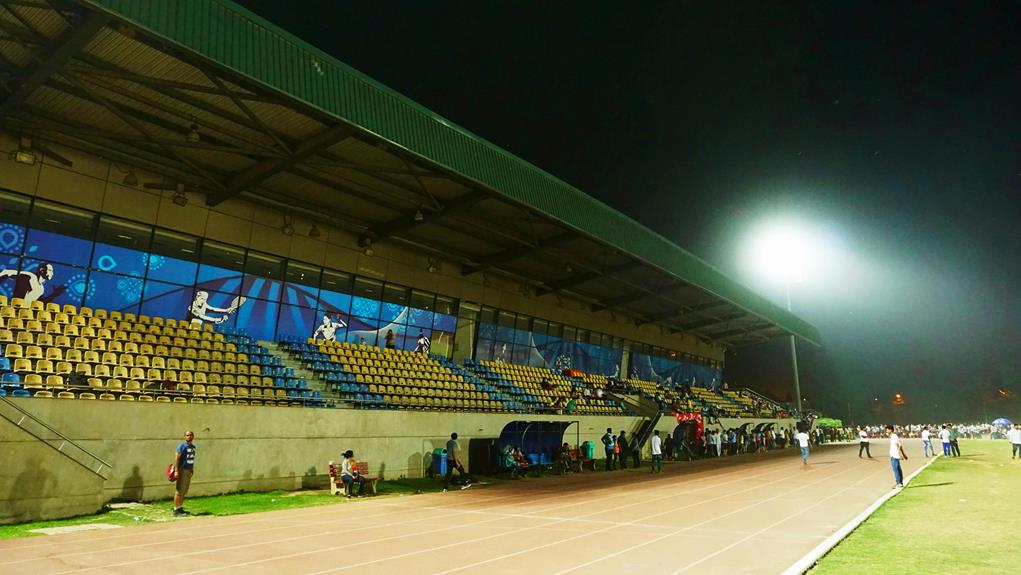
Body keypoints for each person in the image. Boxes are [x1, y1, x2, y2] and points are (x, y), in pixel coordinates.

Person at [171, 430, 196, 517]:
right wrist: (177, 471)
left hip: (188, 471)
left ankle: (179, 507)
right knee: (179, 490)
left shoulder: (193, 447)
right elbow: (177, 458)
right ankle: (175, 510)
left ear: (193, 436)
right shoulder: (182, 446)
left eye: (191, 435)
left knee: (184, 491)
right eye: (187, 435)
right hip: (182, 470)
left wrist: (192, 469)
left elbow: (191, 459)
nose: (189, 437)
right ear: (184, 437)